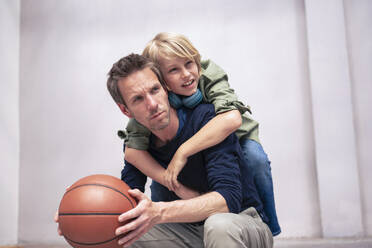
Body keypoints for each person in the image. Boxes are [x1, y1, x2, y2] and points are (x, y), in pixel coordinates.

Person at [120, 32, 281, 235]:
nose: (186, 74)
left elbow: (231, 120)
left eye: (189, 64)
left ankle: (269, 226)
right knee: (164, 183)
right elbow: (132, 153)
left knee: (255, 159)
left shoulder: (208, 75)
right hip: (197, 150)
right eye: (174, 70)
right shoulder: (151, 110)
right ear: (162, 81)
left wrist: (183, 151)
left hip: (235, 132)